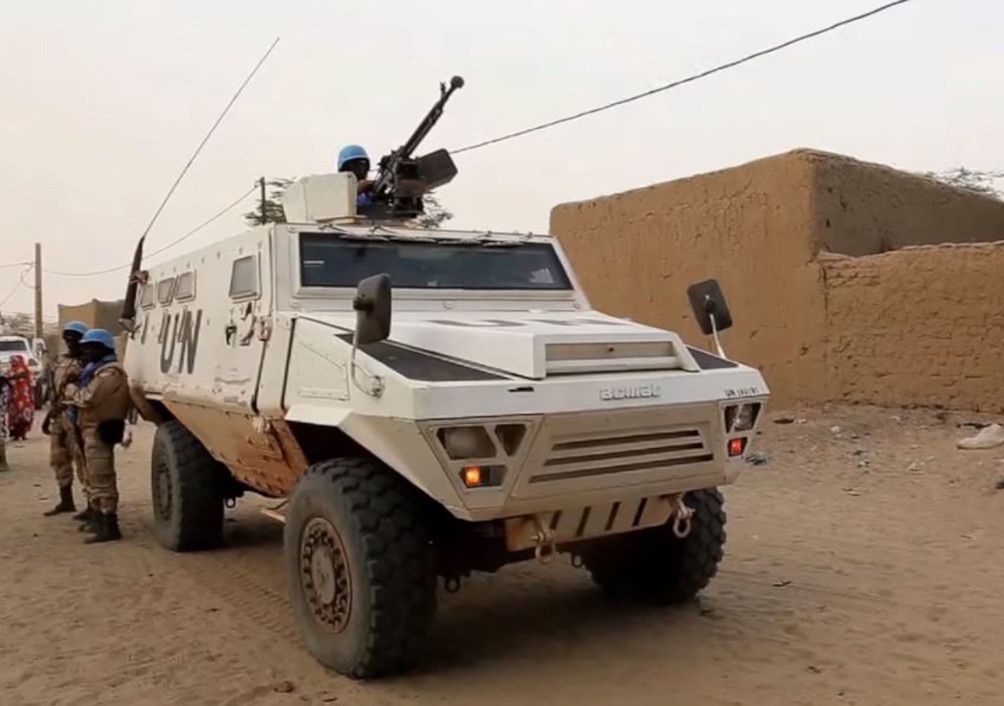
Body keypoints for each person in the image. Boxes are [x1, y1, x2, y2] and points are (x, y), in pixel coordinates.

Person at [64, 328, 131, 543]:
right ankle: (98, 518)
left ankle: (109, 525)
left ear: (103, 348)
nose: (87, 351)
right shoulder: (95, 370)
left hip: (99, 429)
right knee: (92, 476)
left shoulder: (110, 373)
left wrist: (71, 390)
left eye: (91, 347)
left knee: (102, 477)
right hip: (89, 428)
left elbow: (88, 398)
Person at [41, 321, 89, 517]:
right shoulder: (61, 362)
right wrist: (50, 414)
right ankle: (66, 500)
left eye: (74, 338)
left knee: (82, 459)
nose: (69, 342)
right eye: (67, 338)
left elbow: (86, 393)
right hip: (59, 418)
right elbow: (53, 391)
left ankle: (92, 504)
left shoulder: (87, 365)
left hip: (76, 416)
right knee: (59, 459)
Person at [4, 355, 35, 441]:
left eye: (14, 361)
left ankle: (22, 434)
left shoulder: (24, 370)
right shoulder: (10, 371)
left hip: (24, 398)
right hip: (15, 398)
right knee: (15, 416)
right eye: (11, 361)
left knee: (23, 416)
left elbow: (25, 378)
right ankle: (16, 435)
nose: (12, 363)